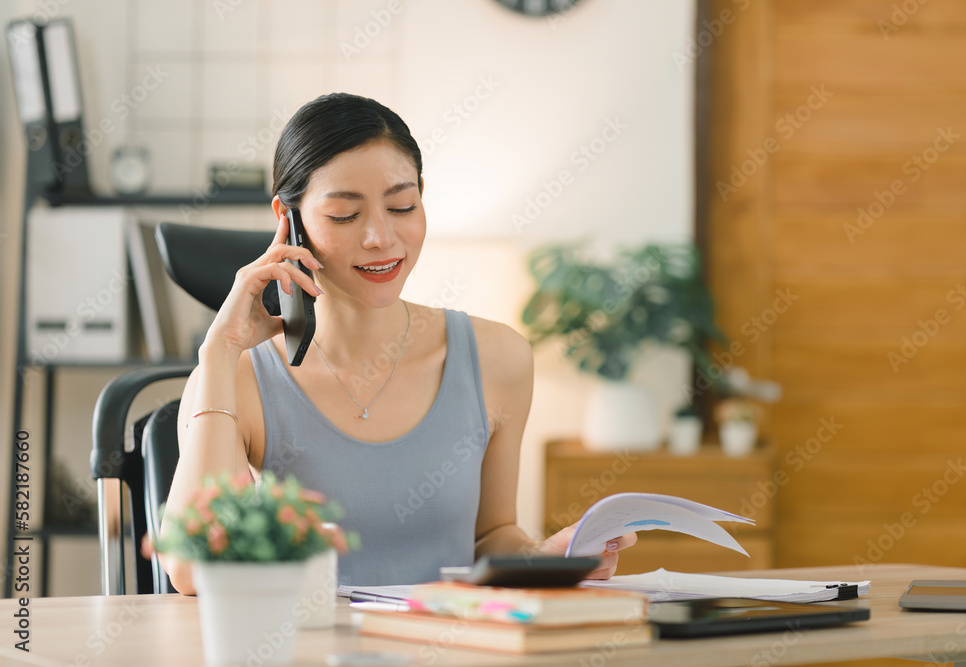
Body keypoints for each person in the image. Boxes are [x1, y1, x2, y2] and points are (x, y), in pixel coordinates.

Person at [161, 92, 637, 594]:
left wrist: (542, 560)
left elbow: (491, 536)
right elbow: (192, 572)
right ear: (288, 218)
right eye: (345, 214)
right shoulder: (237, 377)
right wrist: (218, 352)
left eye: (401, 205)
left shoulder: (499, 358)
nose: (380, 237)